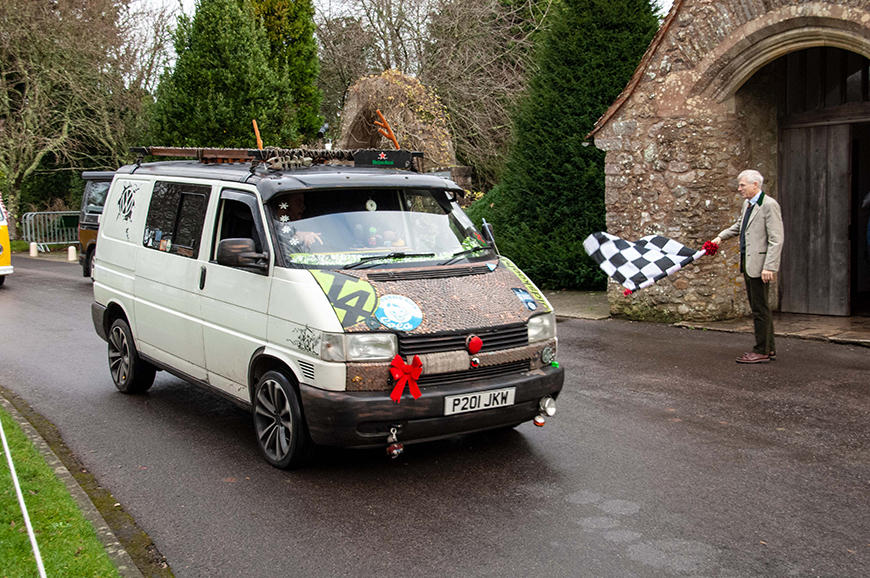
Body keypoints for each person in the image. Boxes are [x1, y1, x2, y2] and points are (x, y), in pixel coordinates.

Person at [710, 170, 784, 364]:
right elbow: (739, 226)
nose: (739, 189)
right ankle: (769, 348)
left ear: (755, 185)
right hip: (748, 263)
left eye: (742, 185)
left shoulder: (769, 205)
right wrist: (720, 237)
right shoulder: (748, 204)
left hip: (760, 266)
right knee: (759, 307)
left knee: (760, 309)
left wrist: (769, 267)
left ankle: (761, 350)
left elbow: (776, 239)